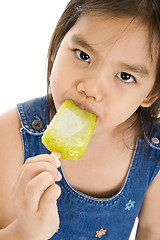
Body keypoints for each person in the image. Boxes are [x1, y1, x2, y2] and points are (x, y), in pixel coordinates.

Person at [0, 0, 160, 239]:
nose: (91, 88)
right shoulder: (12, 133)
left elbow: (151, 230)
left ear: (150, 93)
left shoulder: (153, 150)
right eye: (83, 55)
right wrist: (24, 230)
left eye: (125, 76)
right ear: (56, 46)